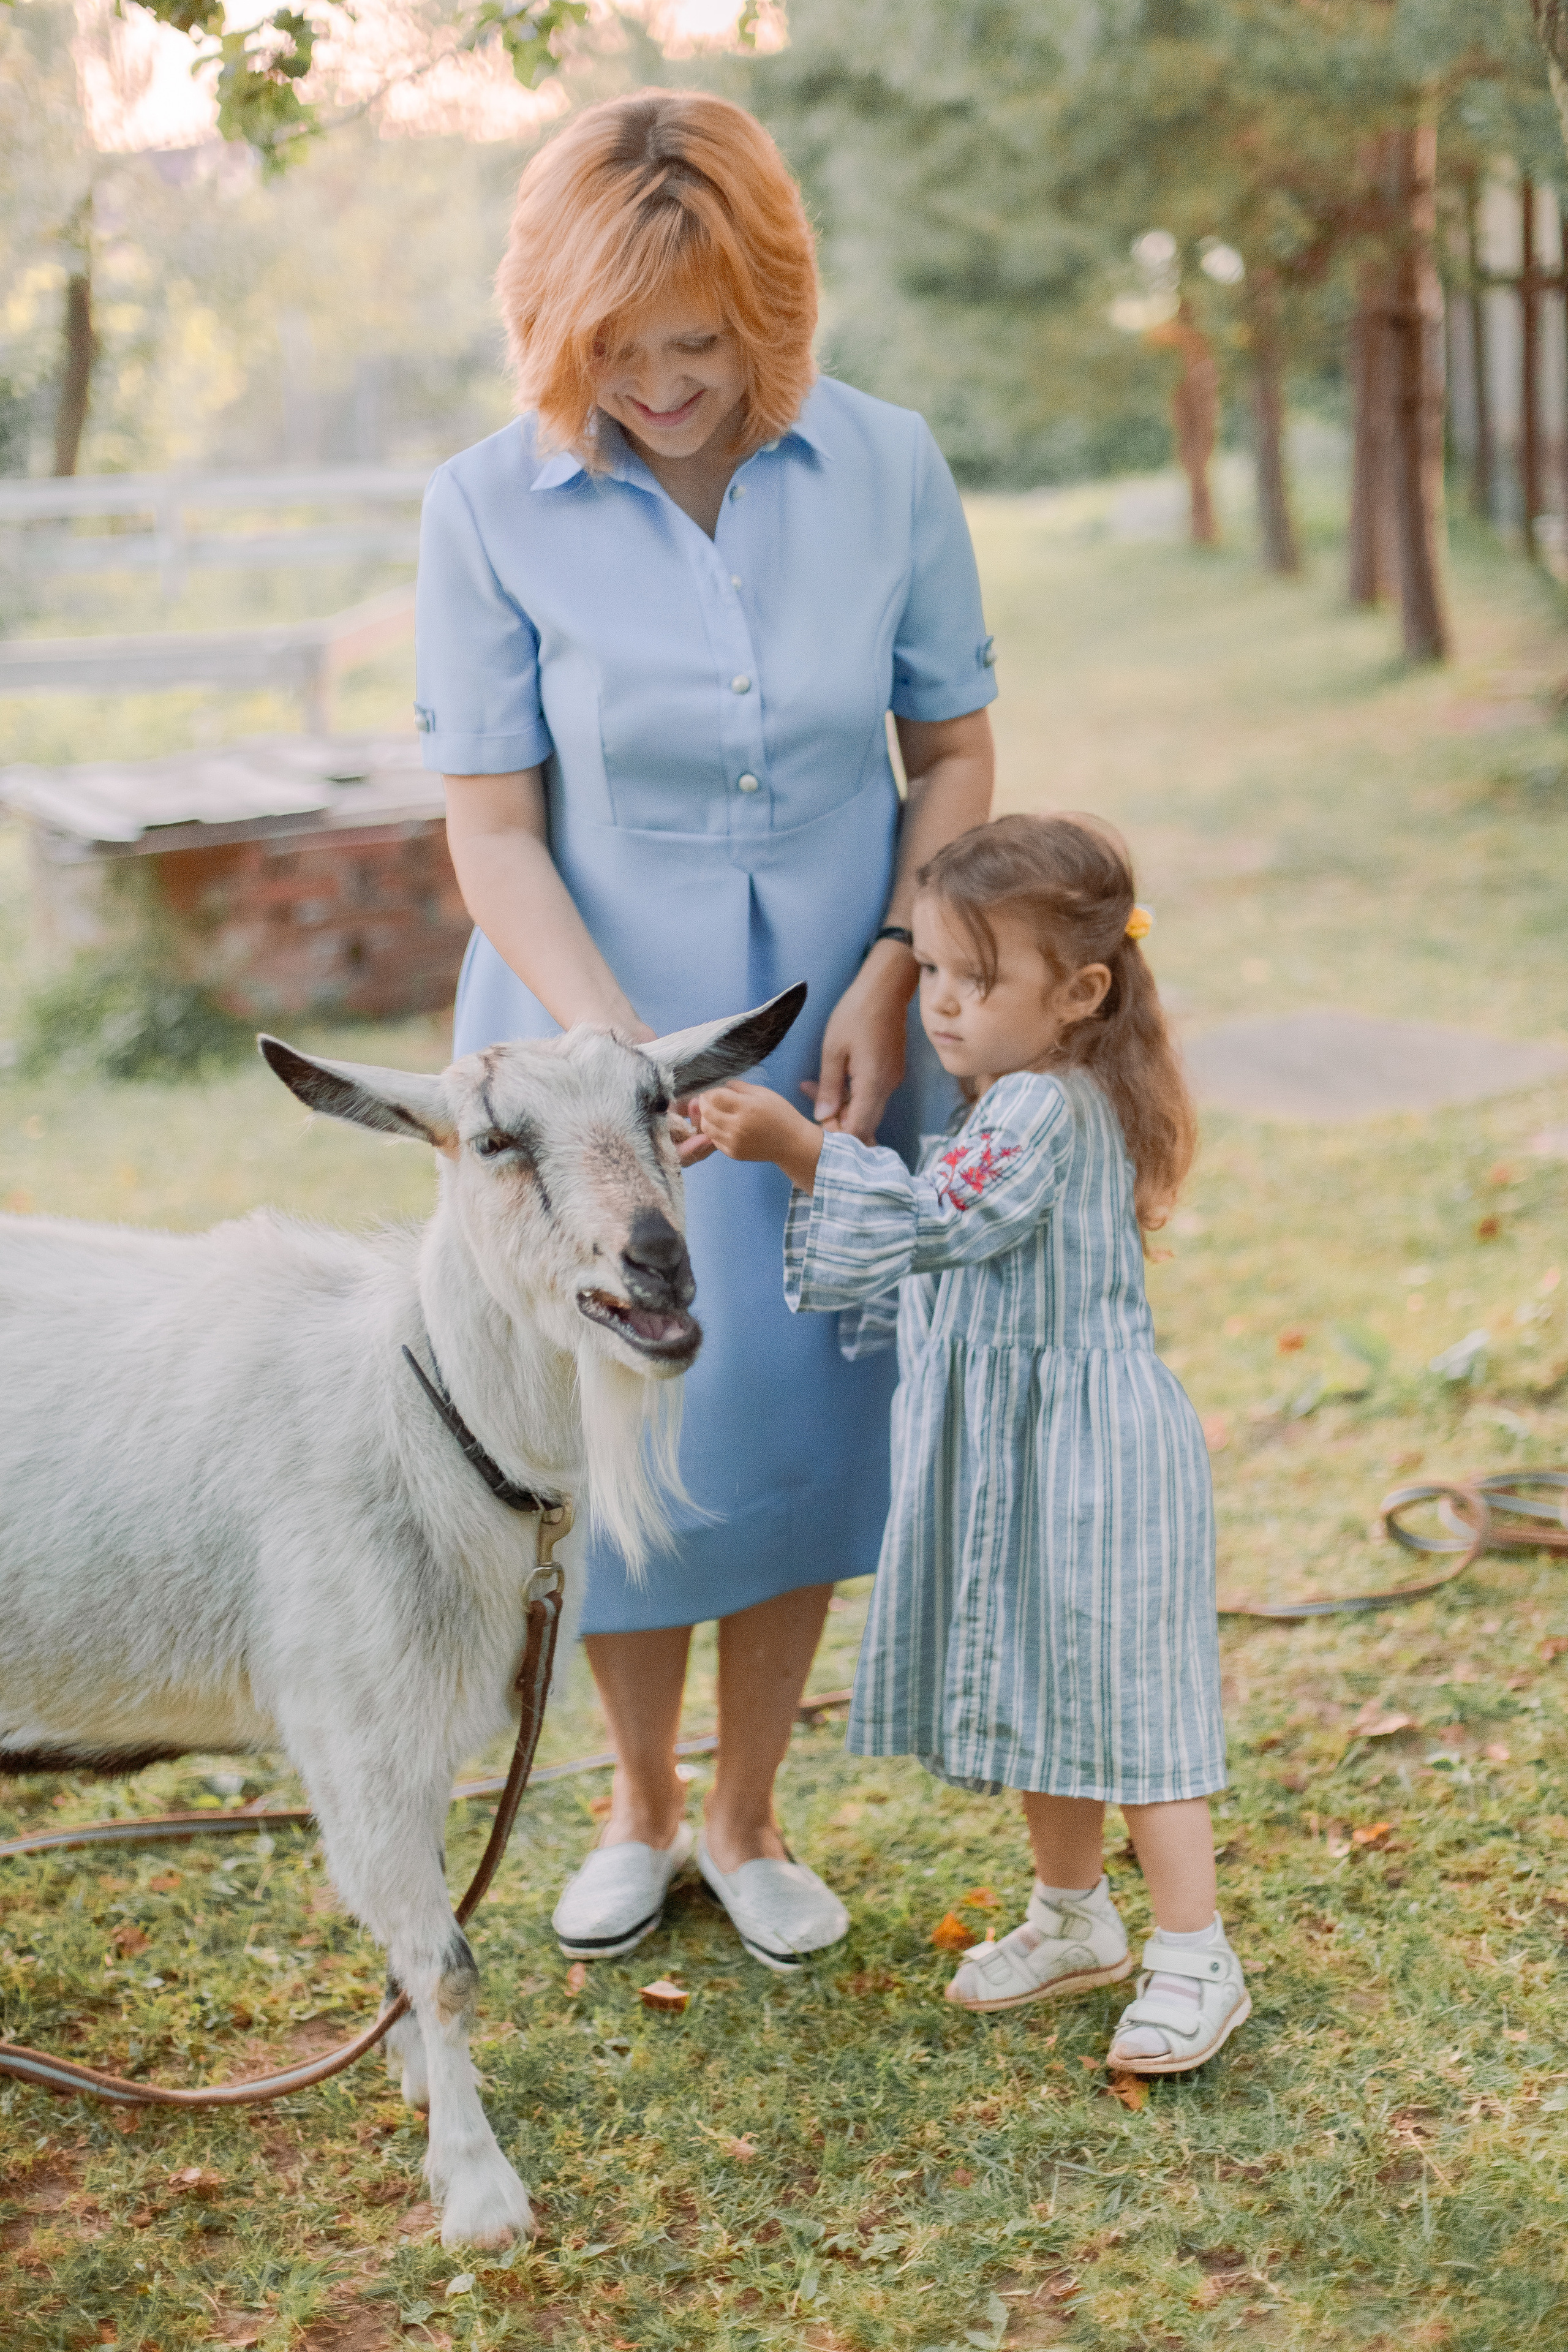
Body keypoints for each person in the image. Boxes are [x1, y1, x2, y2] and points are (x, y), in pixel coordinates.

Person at [414, 89, 997, 1975]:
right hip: (593, 1028)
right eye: (621, 349)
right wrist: (620, 1066)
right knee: (624, 1415)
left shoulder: (891, 465)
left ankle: (748, 1819)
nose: (662, 384)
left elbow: (955, 750)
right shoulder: (487, 505)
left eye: (703, 343)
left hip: (836, 1011)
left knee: (803, 1408)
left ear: (772, 308)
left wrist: (901, 961)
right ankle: (640, 1806)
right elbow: (491, 827)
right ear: (557, 327)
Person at [695, 815, 1248, 2075]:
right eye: (931, 974)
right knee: (1044, 1685)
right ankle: (1070, 1916)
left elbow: (940, 1222)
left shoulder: (1045, 1109)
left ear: (1079, 993)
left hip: (1092, 1457)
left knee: (1129, 1699)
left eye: (971, 980)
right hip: (1022, 1450)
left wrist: (799, 1151)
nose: (938, 1006)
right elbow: (938, 1260)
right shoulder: (1013, 1093)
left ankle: (1192, 1951)